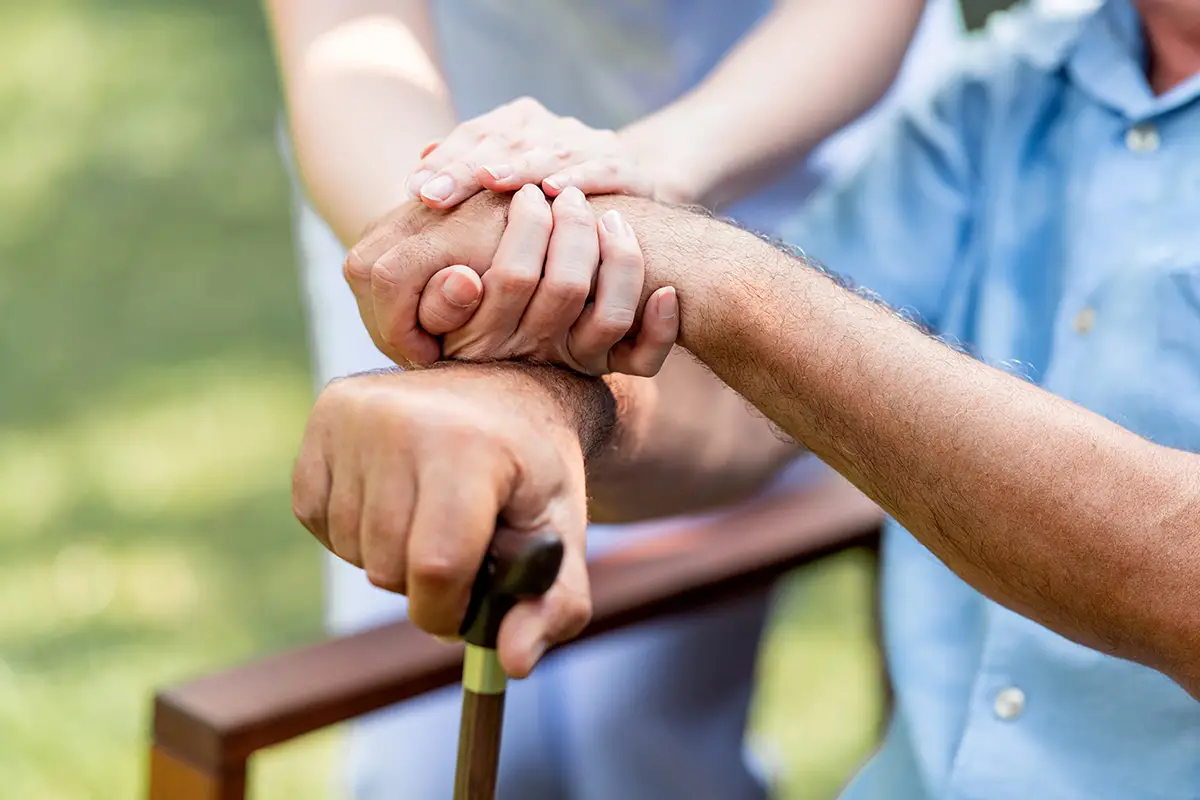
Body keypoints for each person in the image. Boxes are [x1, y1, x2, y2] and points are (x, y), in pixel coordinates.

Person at [293, 0, 1200, 797]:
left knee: (637, 734)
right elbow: (728, 412)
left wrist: (697, 266)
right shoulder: (1008, 92)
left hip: (702, 165)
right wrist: (529, 395)